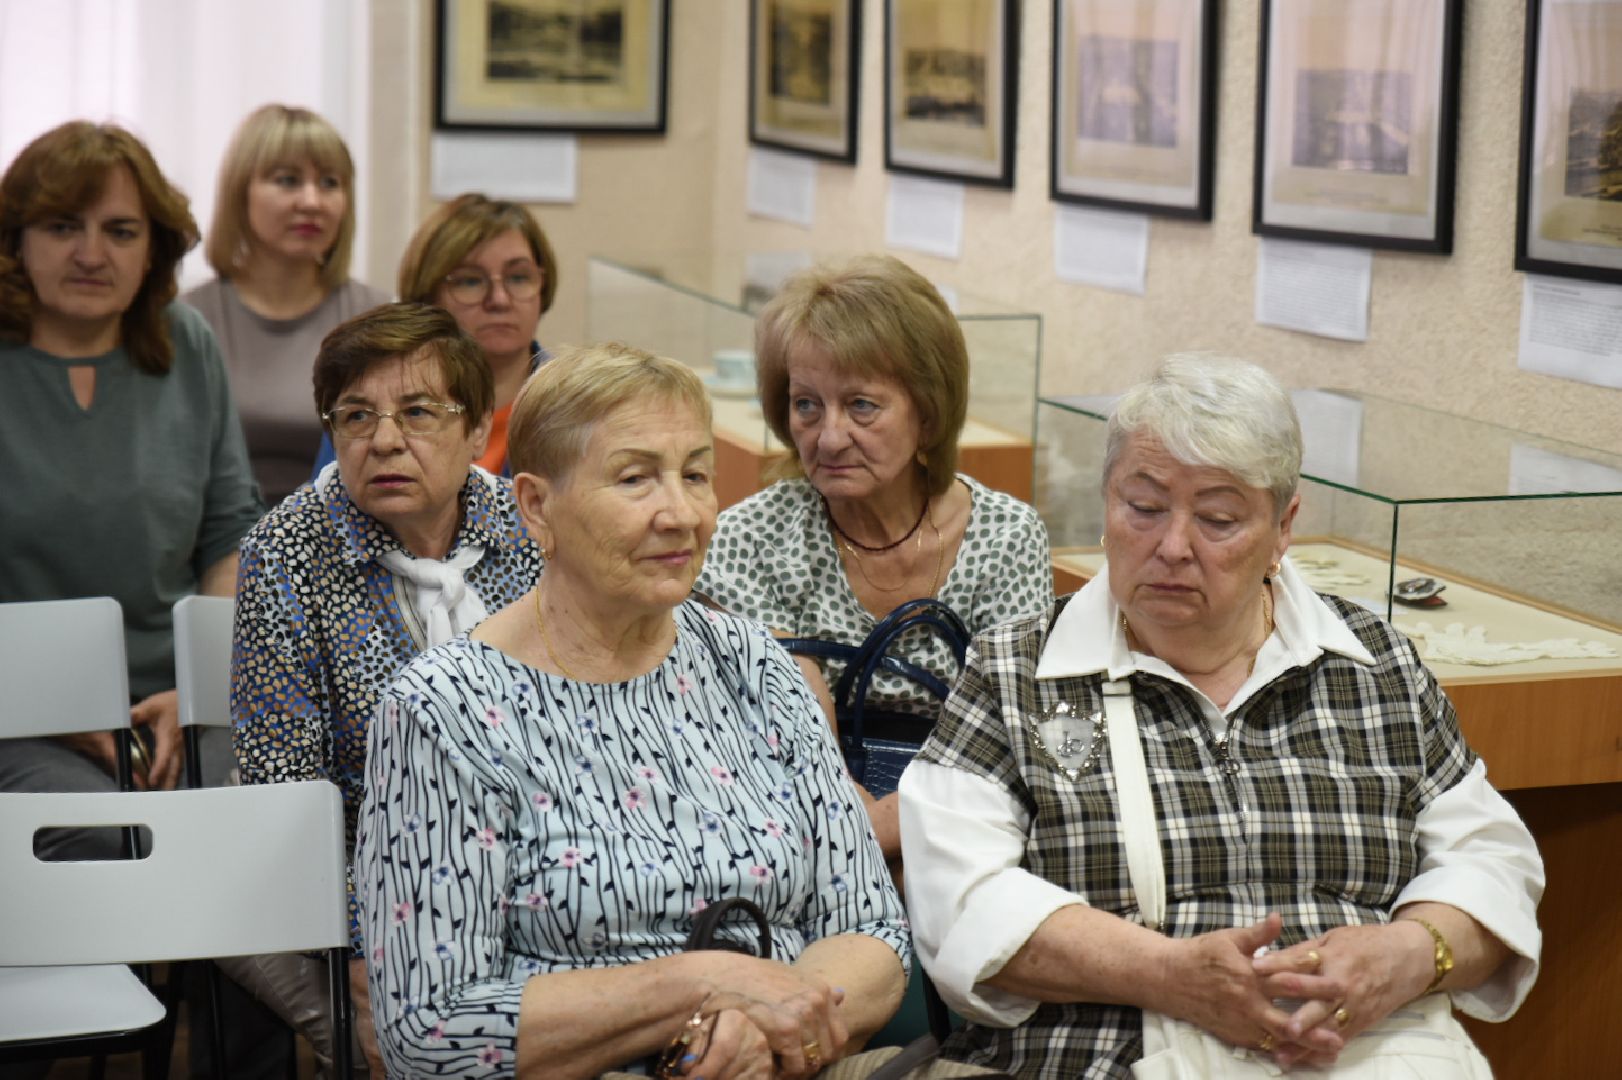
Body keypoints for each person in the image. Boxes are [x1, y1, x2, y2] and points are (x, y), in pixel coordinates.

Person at [898, 355, 1545, 1077]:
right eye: (1143, 508)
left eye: (1218, 518)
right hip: (1115, 1048)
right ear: (1105, 501)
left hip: (1374, 1048)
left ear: (1283, 525)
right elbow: (958, 899)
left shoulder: (1372, 664)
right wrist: (1169, 974)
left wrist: (1414, 953)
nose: (1173, 547)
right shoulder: (1015, 672)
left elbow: (1492, 859)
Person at [356, 342, 987, 1080]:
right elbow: (430, 1031)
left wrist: (765, 1029)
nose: (682, 513)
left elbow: (873, 931)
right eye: (636, 479)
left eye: (695, 474)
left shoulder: (753, 665)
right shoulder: (445, 710)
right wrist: (697, 989)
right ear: (536, 504)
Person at [0, 120, 275, 1073]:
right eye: (62, 225)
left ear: (155, 246)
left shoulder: (184, 345)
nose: (90, 253)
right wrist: (58, 705)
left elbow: (230, 531)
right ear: (15, 240)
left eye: (122, 230)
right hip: (19, 722)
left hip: (177, 705)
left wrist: (200, 694)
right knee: (99, 837)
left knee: (281, 823)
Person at [230, 302, 542, 1074]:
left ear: (477, 429)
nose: (385, 440)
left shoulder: (531, 527)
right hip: (352, 884)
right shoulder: (286, 553)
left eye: (417, 412)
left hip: (532, 870)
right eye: (356, 415)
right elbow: (287, 794)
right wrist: (371, 961)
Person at [697, 255, 1054, 862]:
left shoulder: (1006, 536)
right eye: (806, 405)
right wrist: (854, 836)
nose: (829, 437)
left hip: (964, 818)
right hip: (800, 823)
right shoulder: (751, 535)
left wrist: (889, 829)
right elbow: (776, 733)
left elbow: (1011, 739)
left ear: (928, 411)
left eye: (861, 405)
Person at [185, 104, 389, 506]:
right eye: (288, 181)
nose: (312, 201)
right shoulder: (188, 318)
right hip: (212, 542)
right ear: (240, 191)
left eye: (330, 183)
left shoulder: (379, 319)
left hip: (345, 545)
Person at [311, 192, 558, 478]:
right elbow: (327, 510)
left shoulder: (573, 407)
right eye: (471, 281)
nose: (500, 300)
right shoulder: (367, 396)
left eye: (518, 277)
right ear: (428, 296)